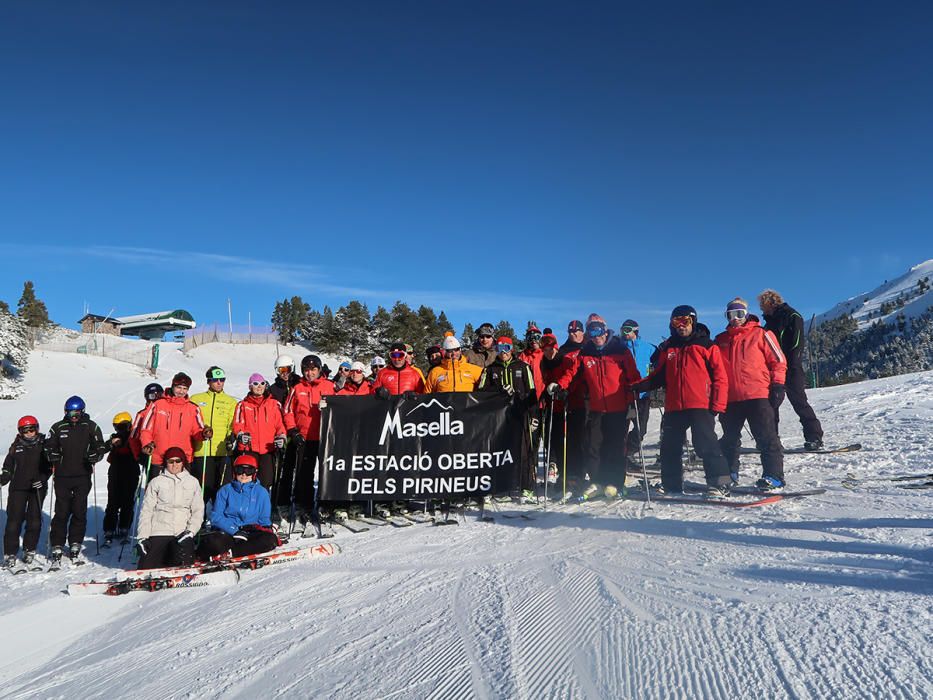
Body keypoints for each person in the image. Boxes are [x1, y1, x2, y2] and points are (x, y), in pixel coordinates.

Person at [632, 306, 732, 497]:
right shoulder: (669, 348)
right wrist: (639, 386)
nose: (681, 326)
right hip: (674, 406)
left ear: (693, 321)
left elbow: (720, 376)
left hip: (700, 404)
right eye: (676, 322)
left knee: (705, 444)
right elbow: (659, 375)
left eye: (685, 321)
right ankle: (672, 485)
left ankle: (720, 483)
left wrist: (717, 404)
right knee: (669, 447)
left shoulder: (706, 345)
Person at [548, 314, 640, 493]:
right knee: (593, 445)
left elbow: (633, 377)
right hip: (597, 407)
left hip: (618, 407)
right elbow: (572, 373)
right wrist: (560, 385)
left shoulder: (620, 350)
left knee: (615, 445)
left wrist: (633, 401)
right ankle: (598, 481)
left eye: (598, 331)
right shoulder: (586, 353)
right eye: (591, 332)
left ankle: (615, 482)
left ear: (605, 332)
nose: (596, 336)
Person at [714, 298, 787, 489]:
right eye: (731, 315)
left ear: (746, 314)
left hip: (757, 395)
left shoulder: (761, 334)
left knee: (766, 436)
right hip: (730, 398)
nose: (736, 318)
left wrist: (778, 385)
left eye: (740, 314)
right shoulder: (721, 340)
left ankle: (774, 476)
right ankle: (729, 472)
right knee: (729, 438)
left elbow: (778, 360)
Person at [759, 289, 825, 450]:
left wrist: (791, 364)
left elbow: (797, 343)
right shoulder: (768, 323)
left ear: (771, 302)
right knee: (771, 405)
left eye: (763, 305)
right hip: (772, 369)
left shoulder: (792, 316)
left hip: (791, 367)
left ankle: (814, 437)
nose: (761, 309)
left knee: (799, 401)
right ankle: (771, 439)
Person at [44, 396, 107, 564]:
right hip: (62, 476)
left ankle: (75, 542)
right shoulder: (58, 427)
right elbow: (48, 445)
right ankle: (57, 543)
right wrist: (52, 454)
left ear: (82, 412)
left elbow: (100, 446)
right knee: (62, 510)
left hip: (82, 475)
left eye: (77, 413)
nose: (74, 416)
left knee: (79, 510)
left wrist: (96, 455)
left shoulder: (91, 426)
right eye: (71, 413)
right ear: (66, 412)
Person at [477, 337, 539, 489]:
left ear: (511, 348)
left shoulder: (523, 367)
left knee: (524, 451)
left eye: (506, 347)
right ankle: (504, 485)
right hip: (500, 417)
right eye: (499, 348)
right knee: (502, 451)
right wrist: (499, 390)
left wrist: (534, 415)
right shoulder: (490, 369)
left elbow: (531, 392)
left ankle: (527, 487)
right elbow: (480, 391)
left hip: (521, 413)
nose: (503, 352)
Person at [196, 454, 278, 561]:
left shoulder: (261, 492)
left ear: (254, 473)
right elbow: (216, 517)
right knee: (214, 542)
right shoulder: (225, 490)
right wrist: (234, 530)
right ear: (235, 472)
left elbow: (264, 519)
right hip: (229, 532)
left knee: (269, 540)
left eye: (248, 471)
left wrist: (267, 529)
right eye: (240, 470)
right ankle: (216, 552)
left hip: (250, 532)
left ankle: (231, 554)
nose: (244, 474)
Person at [282, 354, 335, 520]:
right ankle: (303, 505)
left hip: (325, 436)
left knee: (327, 472)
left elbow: (342, 407)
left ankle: (326, 505)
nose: (310, 373)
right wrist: (293, 430)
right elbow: (287, 411)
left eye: (313, 369)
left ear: (319, 370)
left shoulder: (329, 386)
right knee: (304, 474)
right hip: (304, 437)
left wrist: (330, 407)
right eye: (306, 370)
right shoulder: (297, 388)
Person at [135, 446, 203, 570]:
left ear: (183, 462)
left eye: (178, 461)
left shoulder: (193, 482)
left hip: (182, 533)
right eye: (170, 461)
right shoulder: (156, 482)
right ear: (165, 463)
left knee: (182, 561)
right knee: (145, 567)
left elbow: (198, 511)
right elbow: (146, 511)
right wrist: (143, 537)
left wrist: (191, 531)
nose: (174, 465)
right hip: (159, 531)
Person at [139, 372, 211, 481]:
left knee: (182, 493)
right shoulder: (158, 404)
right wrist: (147, 443)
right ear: (173, 386)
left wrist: (204, 434)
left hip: (182, 459)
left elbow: (197, 431)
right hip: (159, 457)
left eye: (184, 388)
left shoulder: (193, 408)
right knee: (157, 492)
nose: (181, 391)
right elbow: (146, 429)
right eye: (178, 387)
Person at [2, 416, 52, 570]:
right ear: (20, 431)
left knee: (35, 520)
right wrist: (3, 477)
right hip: (18, 487)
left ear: (37, 428)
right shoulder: (16, 446)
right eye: (26, 430)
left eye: (32, 429)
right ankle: (10, 553)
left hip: (37, 487)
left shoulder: (44, 444)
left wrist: (42, 479)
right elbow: (8, 466)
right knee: (14, 521)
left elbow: (50, 465)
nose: (30, 433)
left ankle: (29, 550)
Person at [231, 373, 287, 489]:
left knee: (266, 481)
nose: (259, 386)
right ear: (250, 387)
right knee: (247, 479)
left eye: (262, 383)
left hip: (268, 449)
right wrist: (240, 434)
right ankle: (246, 505)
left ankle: (263, 505)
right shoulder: (243, 405)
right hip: (249, 448)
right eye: (255, 384)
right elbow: (237, 424)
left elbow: (280, 425)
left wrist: (281, 436)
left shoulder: (274, 404)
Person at [191, 366, 237, 505]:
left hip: (222, 451)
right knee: (203, 488)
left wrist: (231, 437)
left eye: (222, 380)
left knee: (221, 488)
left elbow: (233, 424)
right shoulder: (196, 399)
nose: (219, 383)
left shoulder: (231, 401)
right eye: (215, 380)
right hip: (202, 451)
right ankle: (199, 519)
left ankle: (218, 519)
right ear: (208, 381)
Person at [102, 412, 141, 545]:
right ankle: (109, 528)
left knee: (128, 500)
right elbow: (103, 449)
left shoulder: (134, 438)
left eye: (123, 426)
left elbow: (139, 453)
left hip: (131, 471)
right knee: (112, 500)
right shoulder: (115, 439)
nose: (120, 430)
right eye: (117, 427)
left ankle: (124, 526)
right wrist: (111, 444)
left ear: (130, 425)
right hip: (116, 471)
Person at [620, 320, 656, 462]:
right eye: (623, 330)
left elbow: (661, 361)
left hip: (642, 394)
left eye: (627, 330)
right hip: (624, 395)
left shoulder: (648, 348)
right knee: (621, 428)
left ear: (636, 331)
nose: (624, 333)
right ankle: (620, 455)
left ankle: (629, 451)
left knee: (641, 429)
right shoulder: (619, 348)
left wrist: (654, 378)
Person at [130, 382, 163, 464]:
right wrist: (138, 455)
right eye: (152, 396)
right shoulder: (142, 414)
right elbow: (133, 437)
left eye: (159, 395)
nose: (156, 399)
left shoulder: (166, 411)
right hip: (150, 453)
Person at [518, 324, 545, 399]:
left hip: (543, 394)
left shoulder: (545, 354)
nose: (533, 341)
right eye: (530, 338)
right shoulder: (523, 356)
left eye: (536, 337)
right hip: (528, 395)